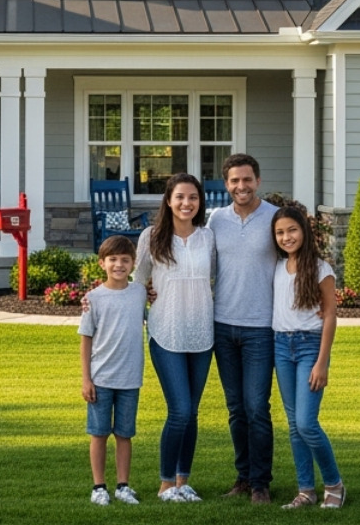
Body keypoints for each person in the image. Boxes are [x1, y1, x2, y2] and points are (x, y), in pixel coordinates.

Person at [134, 172, 214, 503]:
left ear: (200, 202)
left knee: (192, 412)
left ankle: (183, 481)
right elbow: (136, 283)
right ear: (168, 201)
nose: (186, 203)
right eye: (180, 197)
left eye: (193, 197)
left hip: (203, 335)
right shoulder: (151, 237)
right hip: (165, 332)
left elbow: (220, 279)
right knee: (179, 410)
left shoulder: (208, 237)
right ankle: (166, 484)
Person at [206, 153, 278, 504]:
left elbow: (297, 261)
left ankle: (262, 482)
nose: (241, 186)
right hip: (222, 326)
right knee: (235, 408)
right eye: (234, 180)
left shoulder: (275, 218)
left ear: (258, 181)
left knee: (257, 407)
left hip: (261, 328)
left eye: (247, 179)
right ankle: (244, 477)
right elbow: (197, 263)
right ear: (226, 184)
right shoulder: (215, 220)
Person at [271, 204, 345, 509]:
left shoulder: (320, 268)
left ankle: (334, 484)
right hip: (280, 346)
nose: (286, 237)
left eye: (292, 230)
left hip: (308, 347)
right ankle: (305, 490)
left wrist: (322, 362)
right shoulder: (277, 266)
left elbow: (330, 315)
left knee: (306, 422)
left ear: (304, 231)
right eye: (280, 232)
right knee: (293, 423)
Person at [79, 234, 147, 506]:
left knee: (124, 434)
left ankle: (122, 485)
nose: (119, 265)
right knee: (99, 434)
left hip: (130, 379)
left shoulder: (140, 292)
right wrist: (86, 379)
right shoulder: (93, 298)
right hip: (101, 378)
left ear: (133, 264)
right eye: (113, 260)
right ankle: (99, 487)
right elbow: (86, 339)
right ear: (101, 263)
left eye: (125, 260)